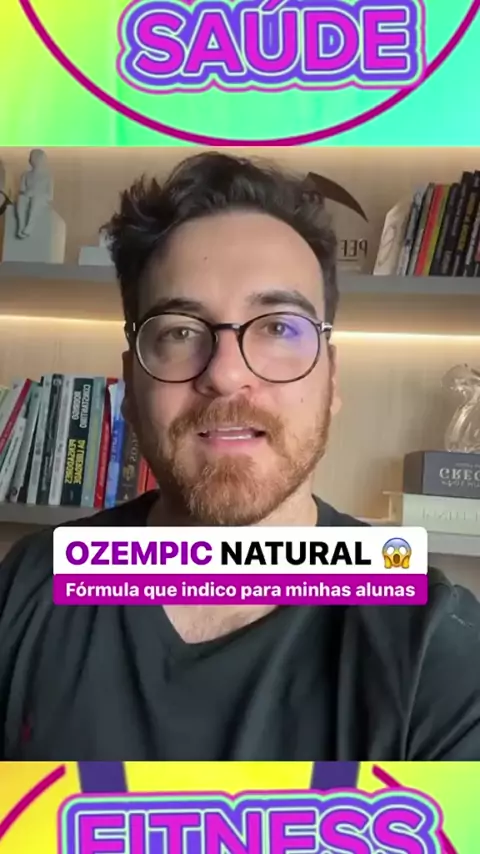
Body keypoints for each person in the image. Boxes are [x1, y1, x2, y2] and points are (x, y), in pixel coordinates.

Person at [1, 152, 480, 762]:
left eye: (278, 327)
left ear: (331, 379)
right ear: (131, 383)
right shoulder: (30, 586)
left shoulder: (436, 646)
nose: (226, 375)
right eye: (179, 331)